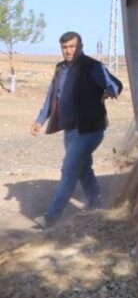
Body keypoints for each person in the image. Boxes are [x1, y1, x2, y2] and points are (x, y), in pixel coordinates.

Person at [30, 31, 123, 229]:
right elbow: (52, 97)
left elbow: (115, 84)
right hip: (70, 130)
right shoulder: (60, 68)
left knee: (69, 169)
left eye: (72, 46)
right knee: (83, 169)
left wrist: (110, 91)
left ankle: (51, 217)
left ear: (80, 46)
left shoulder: (93, 66)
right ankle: (96, 205)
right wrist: (40, 120)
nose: (68, 51)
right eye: (65, 47)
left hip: (90, 130)